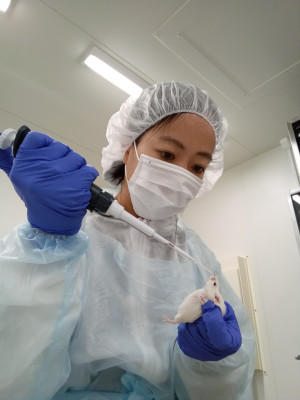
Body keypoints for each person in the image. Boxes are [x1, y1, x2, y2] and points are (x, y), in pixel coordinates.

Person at [0, 82, 255, 400]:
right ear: (127, 150)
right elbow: (13, 366)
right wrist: (46, 240)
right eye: (167, 154)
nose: (182, 174)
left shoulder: (196, 256)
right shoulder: (67, 237)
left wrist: (210, 364)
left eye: (198, 167)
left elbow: (228, 386)